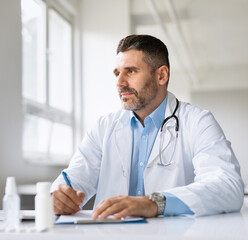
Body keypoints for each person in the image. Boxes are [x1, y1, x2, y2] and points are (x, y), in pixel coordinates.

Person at [51, 34, 244, 218]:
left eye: (131, 71)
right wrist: (58, 196)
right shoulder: (104, 127)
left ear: (161, 75)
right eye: (117, 73)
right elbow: (72, 180)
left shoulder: (198, 122)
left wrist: (155, 203)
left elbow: (228, 187)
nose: (119, 83)